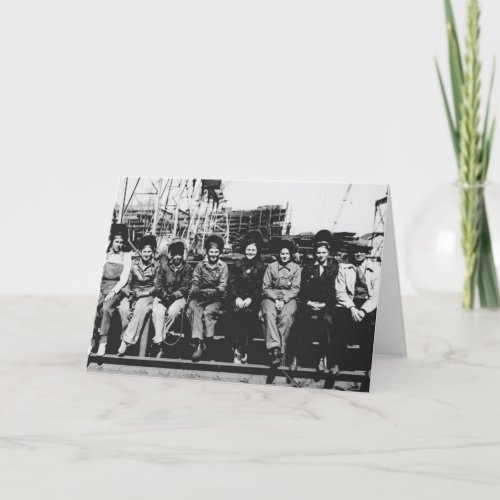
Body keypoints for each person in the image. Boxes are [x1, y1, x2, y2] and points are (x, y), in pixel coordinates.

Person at [291, 230, 338, 372]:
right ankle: (296, 357)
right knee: (299, 319)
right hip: (309, 303)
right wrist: (309, 302)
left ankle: (322, 357)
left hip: (326, 305)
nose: (321, 255)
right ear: (315, 253)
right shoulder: (308, 268)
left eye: (323, 252)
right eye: (318, 252)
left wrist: (324, 304)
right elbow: (303, 289)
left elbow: (334, 290)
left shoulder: (334, 268)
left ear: (328, 253)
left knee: (327, 321)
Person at [332, 238, 380, 375]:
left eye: (361, 251)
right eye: (355, 251)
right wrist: (352, 308)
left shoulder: (376, 269)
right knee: (339, 324)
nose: (358, 254)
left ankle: (369, 366)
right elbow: (340, 292)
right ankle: (337, 363)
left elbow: (376, 295)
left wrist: (363, 311)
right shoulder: (344, 267)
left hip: (367, 305)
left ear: (366, 252)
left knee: (372, 326)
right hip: (349, 304)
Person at [260, 237, 301, 367]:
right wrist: (276, 299)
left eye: (287, 254)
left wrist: (283, 300)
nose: (284, 256)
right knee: (269, 313)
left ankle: (281, 353)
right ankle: (274, 349)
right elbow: (265, 287)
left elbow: (295, 288)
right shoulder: (271, 267)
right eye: (282, 254)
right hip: (271, 296)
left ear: (291, 254)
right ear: (279, 254)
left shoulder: (296, 268)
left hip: (288, 298)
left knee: (286, 316)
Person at [187, 234, 229, 361]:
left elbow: (223, 285)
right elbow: (194, 282)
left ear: (219, 252)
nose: (213, 254)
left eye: (216, 252)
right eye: (211, 251)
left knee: (209, 312)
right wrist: (199, 291)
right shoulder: (200, 266)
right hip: (200, 297)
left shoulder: (223, 266)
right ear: (207, 251)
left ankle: (209, 341)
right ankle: (198, 342)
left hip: (215, 298)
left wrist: (213, 292)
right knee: (193, 308)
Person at [227, 231, 267, 364]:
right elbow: (231, 282)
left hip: (252, 300)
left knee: (249, 314)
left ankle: (244, 349)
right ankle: (237, 348)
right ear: (245, 250)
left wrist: (251, 299)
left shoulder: (261, 266)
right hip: (237, 299)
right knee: (236, 312)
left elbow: (260, 286)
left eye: (253, 250)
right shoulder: (238, 264)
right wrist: (237, 298)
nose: (250, 252)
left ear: (257, 250)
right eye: (248, 249)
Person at [94, 224, 132, 356]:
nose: (119, 244)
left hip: (116, 289)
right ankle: (91, 340)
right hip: (101, 287)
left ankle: (102, 343)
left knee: (106, 308)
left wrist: (113, 292)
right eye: (116, 241)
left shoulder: (126, 257)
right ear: (112, 241)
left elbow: (123, 279)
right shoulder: (105, 255)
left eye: (121, 242)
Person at [150, 239, 192, 358]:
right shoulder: (164, 266)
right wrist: (164, 295)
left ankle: (162, 336)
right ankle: (159, 342)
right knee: (157, 312)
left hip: (178, 298)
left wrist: (173, 296)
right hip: (163, 296)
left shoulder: (187, 268)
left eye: (179, 254)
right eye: (174, 254)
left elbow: (185, 287)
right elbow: (159, 283)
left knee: (173, 311)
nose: (177, 257)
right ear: (171, 255)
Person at [118, 235, 159, 355]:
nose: (146, 254)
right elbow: (126, 282)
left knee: (140, 308)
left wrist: (141, 294)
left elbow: (156, 287)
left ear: (152, 252)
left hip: (147, 294)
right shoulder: (133, 264)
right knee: (123, 309)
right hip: (133, 292)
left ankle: (126, 341)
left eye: (149, 252)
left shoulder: (156, 266)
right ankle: (126, 337)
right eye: (144, 251)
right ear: (140, 252)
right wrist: (129, 293)